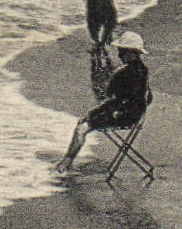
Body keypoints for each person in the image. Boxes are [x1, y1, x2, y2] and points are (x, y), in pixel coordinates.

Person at [53, 31, 150, 175]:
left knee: (82, 127)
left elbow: (112, 101)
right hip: (136, 116)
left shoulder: (123, 73)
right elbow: (148, 97)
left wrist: (92, 115)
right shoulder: (143, 70)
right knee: (86, 122)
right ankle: (66, 164)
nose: (118, 55)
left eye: (122, 52)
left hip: (124, 116)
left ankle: (65, 164)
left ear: (131, 53)